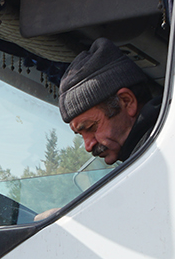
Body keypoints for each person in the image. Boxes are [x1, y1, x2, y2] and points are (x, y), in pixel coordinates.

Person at [59, 36, 164, 166]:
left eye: (91, 127)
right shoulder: (147, 156)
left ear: (127, 101)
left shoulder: (159, 156)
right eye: (81, 135)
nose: (88, 146)